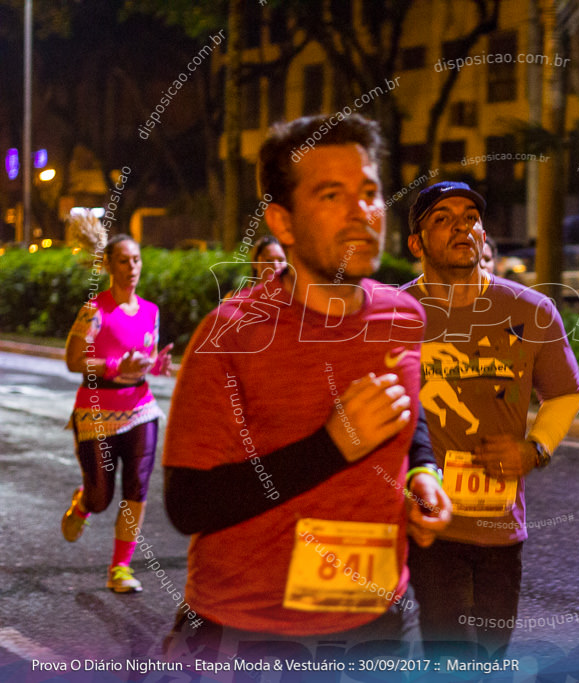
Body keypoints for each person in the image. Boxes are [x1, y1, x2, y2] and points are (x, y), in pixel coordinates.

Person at [161, 114, 451, 662]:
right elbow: (189, 504)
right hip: (248, 634)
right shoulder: (232, 333)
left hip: (376, 624)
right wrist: (331, 446)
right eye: (331, 194)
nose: (362, 211)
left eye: (369, 192)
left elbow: (408, 421)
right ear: (283, 222)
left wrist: (424, 474)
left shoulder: (404, 317)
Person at [402, 181, 579, 656]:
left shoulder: (531, 310)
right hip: (427, 522)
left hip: (500, 522)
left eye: (471, 217)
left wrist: (535, 449)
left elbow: (566, 393)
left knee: (490, 652)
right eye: (442, 218)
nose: (462, 226)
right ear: (416, 243)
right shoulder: (394, 315)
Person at [62, 234, 173, 593]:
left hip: (140, 409)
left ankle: (120, 568)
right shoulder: (95, 311)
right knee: (101, 497)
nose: (132, 268)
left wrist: (155, 366)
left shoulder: (151, 312)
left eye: (137, 260)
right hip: (97, 413)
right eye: (123, 261)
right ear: (109, 265)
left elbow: (140, 361)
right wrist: (112, 365)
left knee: (137, 486)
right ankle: (83, 504)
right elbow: (73, 360)